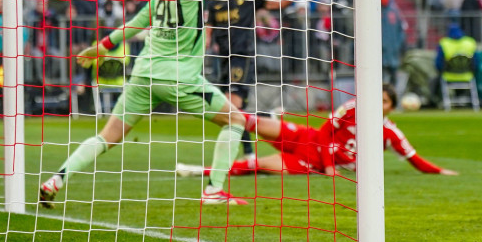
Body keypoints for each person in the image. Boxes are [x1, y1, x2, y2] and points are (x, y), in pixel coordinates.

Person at [39, 0, 249, 207]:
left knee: (107, 136)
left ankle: (56, 179)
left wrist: (103, 45)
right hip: (178, 78)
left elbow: (136, 24)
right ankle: (213, 190)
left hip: (143, 76)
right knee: (236, 120)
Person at [176, 86, 457, 177]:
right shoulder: (352, 108)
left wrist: (441, 172)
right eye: (377, 97)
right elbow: (324, 132)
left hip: (307, 162)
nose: (377, 103)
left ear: (391, 108)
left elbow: (414, 158)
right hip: (308, 139)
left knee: (255, 166)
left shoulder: (390, 134)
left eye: (384, 101)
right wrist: (329, 165)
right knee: (253, 122)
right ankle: (202, 106)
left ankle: (196, 170)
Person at [206, 0, 312, 156]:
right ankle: (266, 117)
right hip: (223, 61)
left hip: (242, 58)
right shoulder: (214, 4)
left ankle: (248, 153)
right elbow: (207, 33)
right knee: (232, 111)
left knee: (232, 106)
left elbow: (282, 2)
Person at [435, 23, 477, 105]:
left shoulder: (444, 43)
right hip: (468, 75)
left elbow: (438, 63)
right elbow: (476, 62)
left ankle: (437, 101)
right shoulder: (470, 42)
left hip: (448, 75)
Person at [380, 0, 408, 85]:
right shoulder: (374, 11)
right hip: (380, 53)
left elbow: (401, 31)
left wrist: (398, 45)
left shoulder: (394, 12)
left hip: (393, 53)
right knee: (380, 79)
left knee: (393, 79)